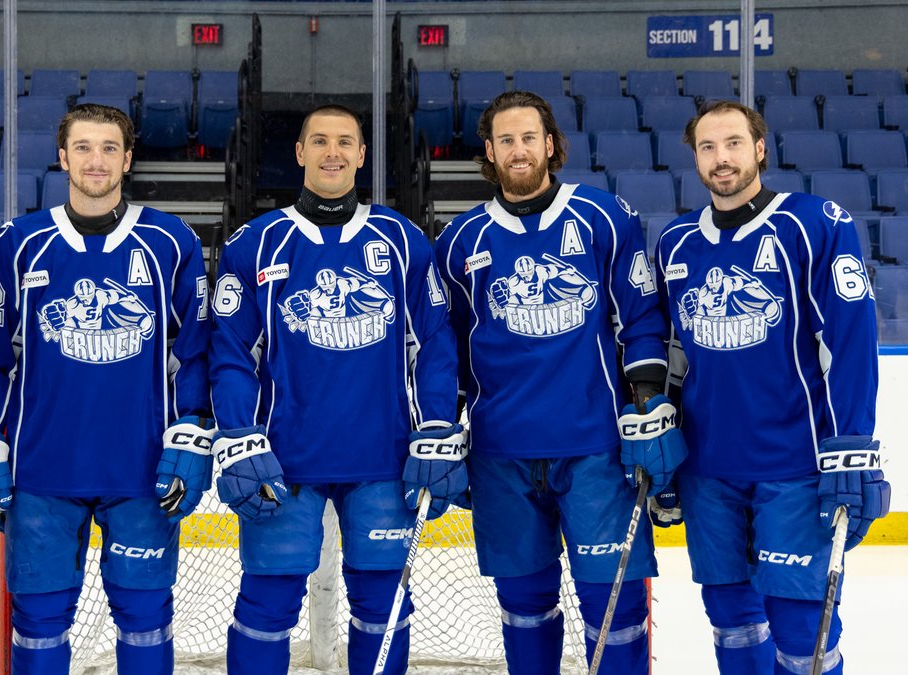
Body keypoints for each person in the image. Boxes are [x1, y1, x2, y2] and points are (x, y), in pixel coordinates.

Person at [434, 91, 686, 674]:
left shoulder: (604, 216)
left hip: (595, 449)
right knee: (524, 607)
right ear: (489, 153)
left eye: (529, 138)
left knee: (615, 608)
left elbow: (641, 318)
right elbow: (445, 348)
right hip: (502, 454)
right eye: (505, 141)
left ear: (550, 144)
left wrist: (648, 406)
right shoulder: (459, 242)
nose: (518, 151)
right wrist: (442, 423)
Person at [210, 104, 462, 675]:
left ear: (362, 156)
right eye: (319, 141)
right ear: (299, 153)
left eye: (345, 142)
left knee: (382, 604)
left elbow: (435, 347)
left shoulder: (403, 241)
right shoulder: (255, 244)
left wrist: (437, 425)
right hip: (282, 461)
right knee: (267, 603)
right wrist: (240, 433)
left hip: (382, 460)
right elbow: (230, 353)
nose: (333, 152)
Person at [0, 103, 212, 674]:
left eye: (108, 148)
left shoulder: (170, 240)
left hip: (142, 468)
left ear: (127, 160)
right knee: (40, 619)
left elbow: (193, 349)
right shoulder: (16, 245)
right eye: (82, 147)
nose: (95, 160)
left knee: (145, 614)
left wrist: (193, 427)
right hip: (42, 469)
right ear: (62, 157)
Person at [652, 100, 891, 674]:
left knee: (801, 626)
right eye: (707, 147)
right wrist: (662, 445)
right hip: (708, 468)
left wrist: (850, 446)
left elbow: (852, 344)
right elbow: (671, 356)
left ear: (760, 149)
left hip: (795, 464)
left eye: (734, 143)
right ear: (695, 158)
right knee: (731, 618)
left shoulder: (813, 224)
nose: (721, 158)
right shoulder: (675, 243)